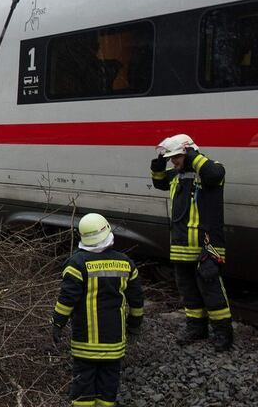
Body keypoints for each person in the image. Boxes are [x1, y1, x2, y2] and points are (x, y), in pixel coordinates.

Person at [150, 134, 232, 351]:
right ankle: (196, 328)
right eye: (171, 158)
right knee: (188, 290)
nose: (174, 161)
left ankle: (223, 333)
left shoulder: (211, 170)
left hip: (206, 245)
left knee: (211, 289)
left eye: (177, 156)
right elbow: (159, 182)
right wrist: (158, 163)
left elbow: (212, 175)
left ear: (189, 152)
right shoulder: (177, 175)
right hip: (180, 245)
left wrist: (193, 155)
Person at [53, 213, 144, 407]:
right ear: (108, 232)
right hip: (114, 342)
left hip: (85, 342)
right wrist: (135, 324)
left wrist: (57, 323)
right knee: (108, 385)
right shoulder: (126, 263)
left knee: (83, 384)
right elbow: (137, 300)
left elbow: (67, 300)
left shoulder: (76, 264)